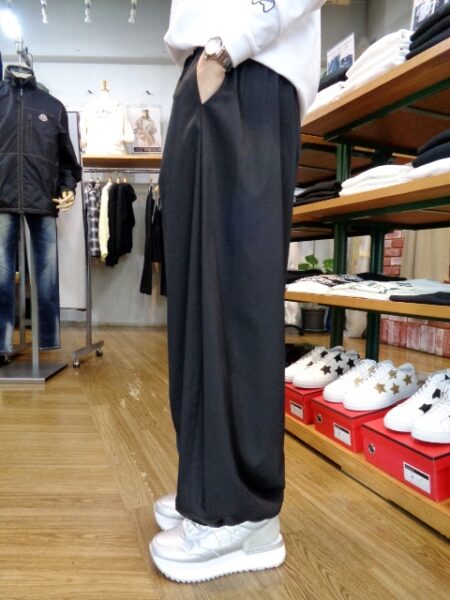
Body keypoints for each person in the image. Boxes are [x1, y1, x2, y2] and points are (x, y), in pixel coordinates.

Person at [149, 0, 326, 583]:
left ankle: (242, 511)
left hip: (247, 67)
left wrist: (229, 46)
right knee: (197, 301)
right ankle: (206, 481)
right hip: (212, 68)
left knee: (235, 294)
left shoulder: (236, 56)